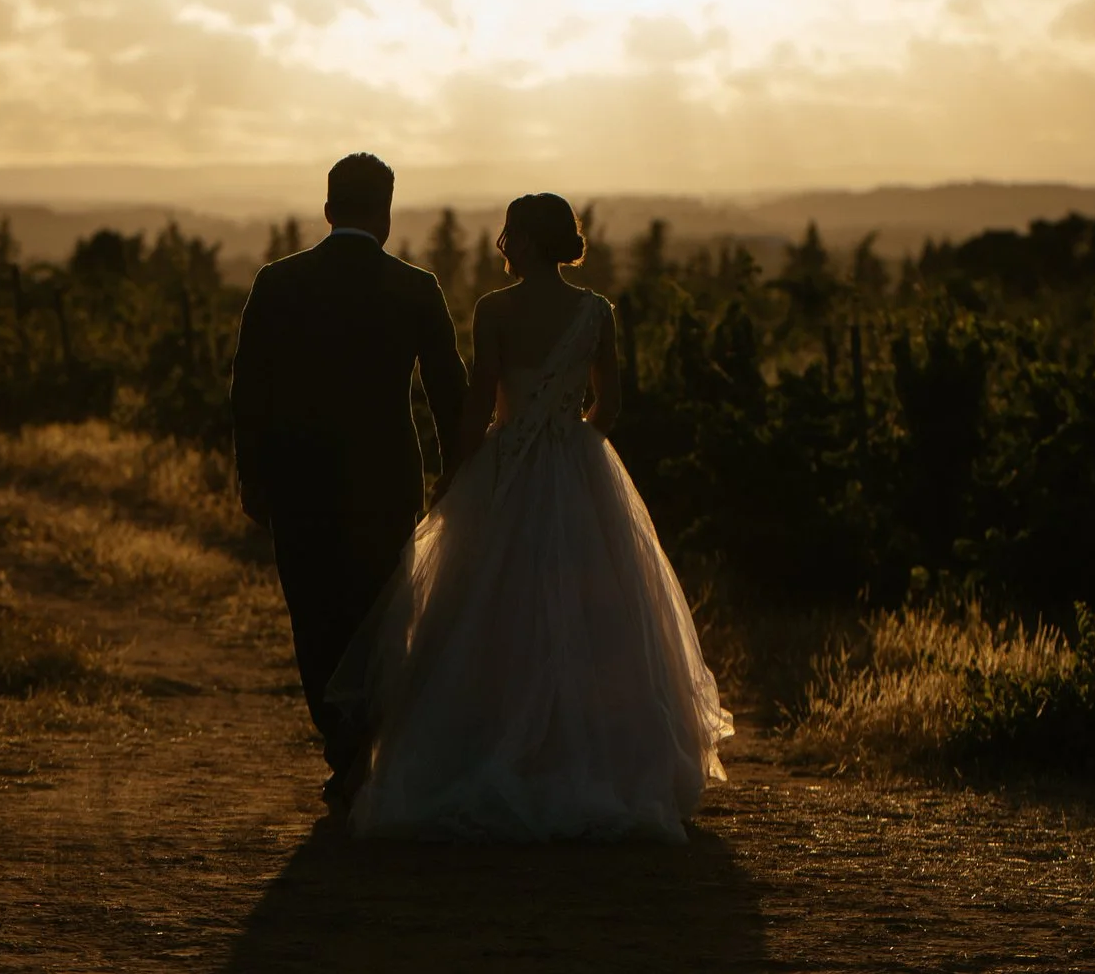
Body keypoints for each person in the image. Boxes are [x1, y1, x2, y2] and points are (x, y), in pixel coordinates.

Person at [330, 192, 732, 841]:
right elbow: (612, 402)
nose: (503, 241)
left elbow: (477, 403)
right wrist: (576, 445)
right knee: (595, 615)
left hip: (507, 465)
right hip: (579, 466)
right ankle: (590, 757)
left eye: (512, 232)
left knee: (491, 610)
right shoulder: (596, 311)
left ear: (533, 240)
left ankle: (490, 746)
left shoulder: (495, 310)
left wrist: (461, 472)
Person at [230, 152, 467, 809]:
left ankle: (343, 746)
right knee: (385, 611)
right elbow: (449, 391)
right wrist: (460, 469)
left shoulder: (277, 282)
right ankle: (367, 744)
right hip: (387, 475)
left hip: (297, 476)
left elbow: (248, 388)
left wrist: (251, 474)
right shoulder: (416, 287)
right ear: (385, 213)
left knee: (315, 615)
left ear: (328, 207)